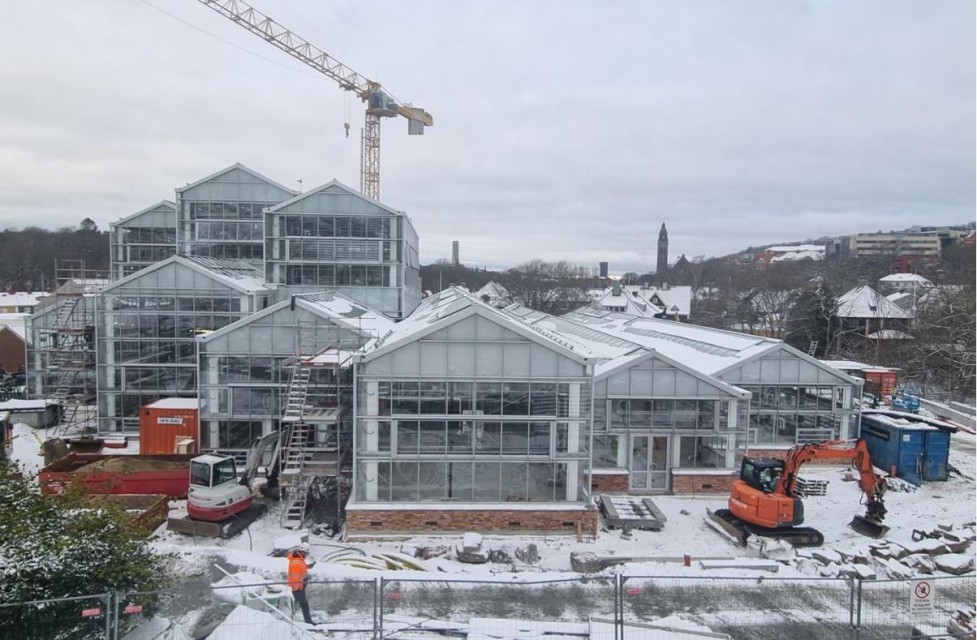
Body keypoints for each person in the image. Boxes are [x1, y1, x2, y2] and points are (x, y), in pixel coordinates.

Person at [287, 546, 313, 624]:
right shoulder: (297, 562)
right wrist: (299, 588)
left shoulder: (299, 560)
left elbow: (301, 568)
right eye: (306, 553)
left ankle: (308, 621)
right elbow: (295, 578)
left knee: (302, 604)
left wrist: (308, 567)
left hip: (299, 587)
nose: (306, 555)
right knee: (296, 605)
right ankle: (290, 621)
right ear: (303, 552)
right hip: (297, 588)